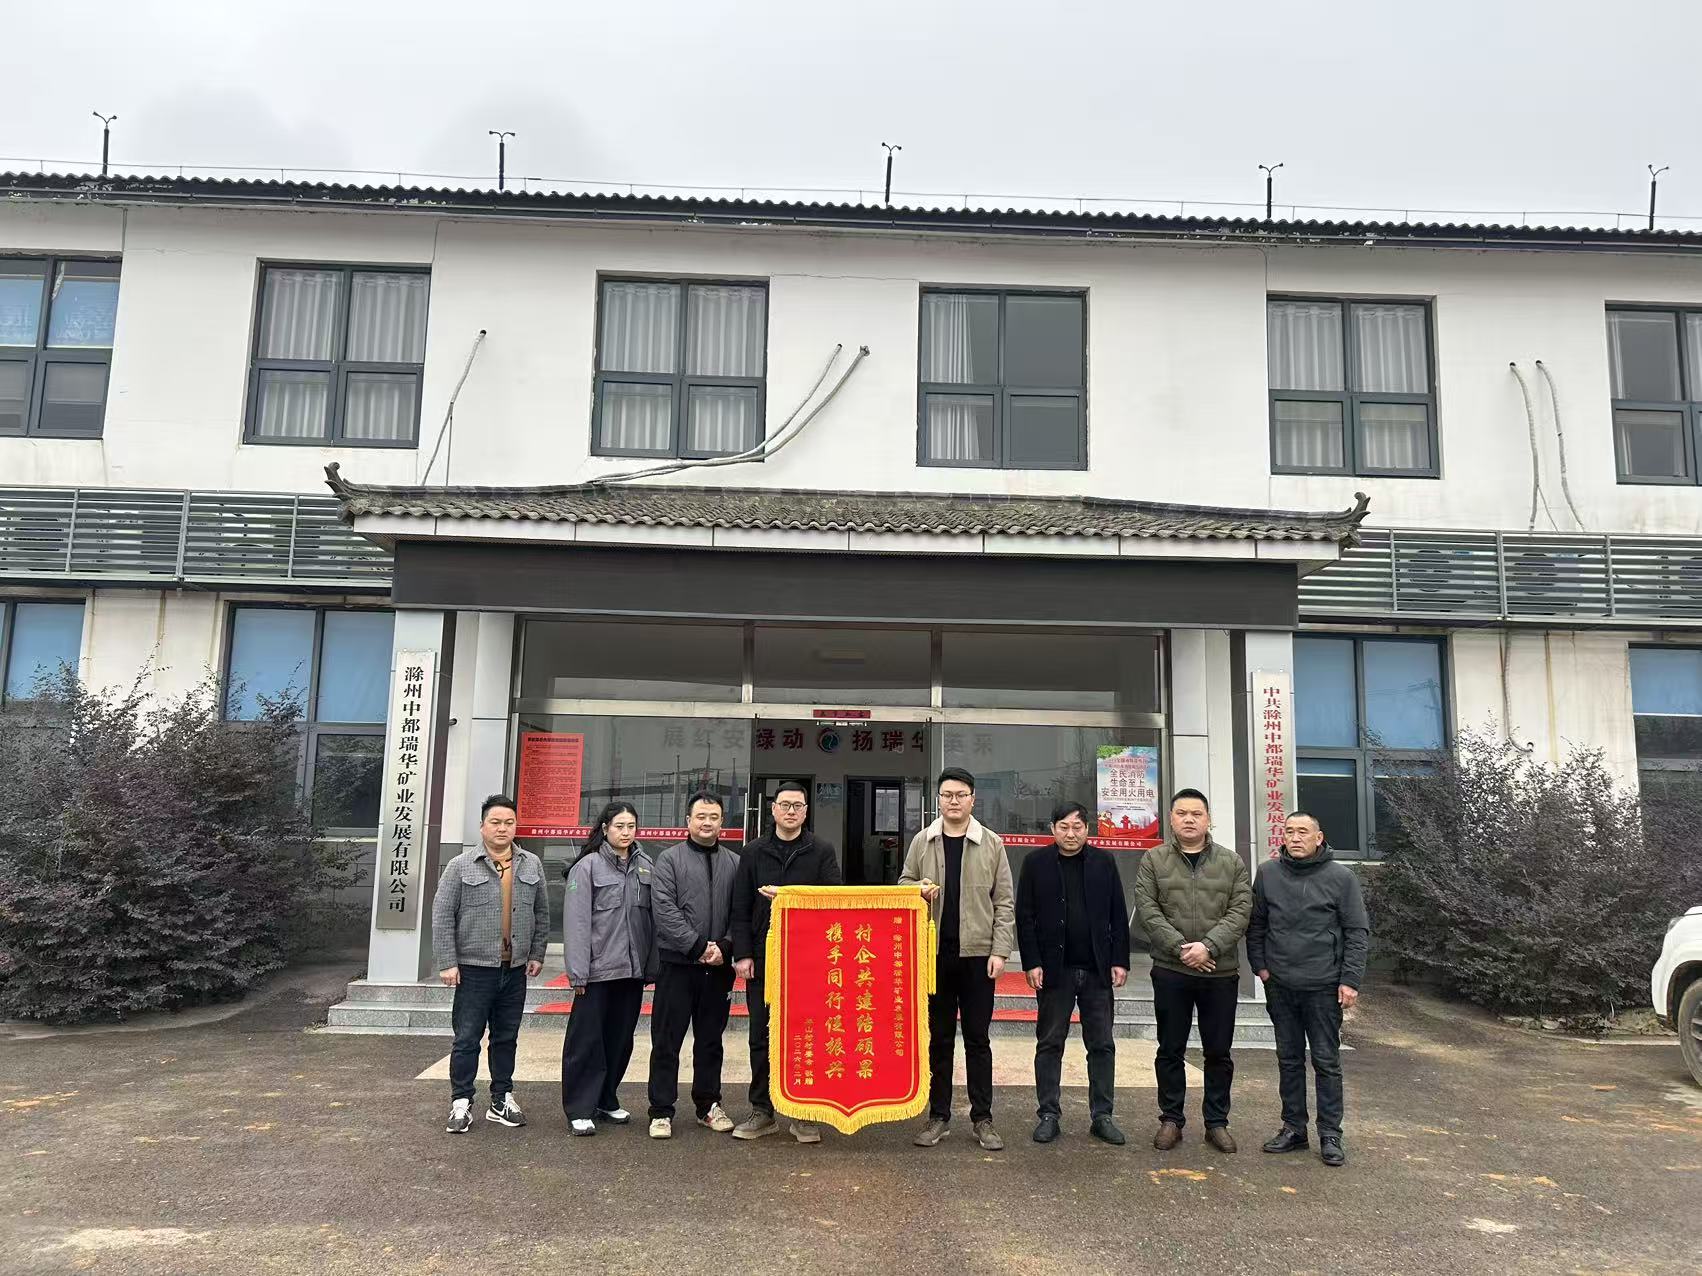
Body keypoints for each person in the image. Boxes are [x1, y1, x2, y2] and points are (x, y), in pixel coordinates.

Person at [899, 767, 1015, 1152]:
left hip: (978, 956)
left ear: (972, 800)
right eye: (947, 795)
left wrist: (1000, 950)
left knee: (978, 1039)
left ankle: (983, 1118)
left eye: (961, 795)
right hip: (935, 956)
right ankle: (939, 1116)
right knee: (940, 1039)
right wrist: (917, 889)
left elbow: (1004, 902)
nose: (953, 801)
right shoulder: (923, 841)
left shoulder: (991, 843)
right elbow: (903, 883)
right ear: (938, 799)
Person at [1247, 810, 1371, 1169]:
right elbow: (1256, 925)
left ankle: (1330, 1134)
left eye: (1303, 832)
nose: (1296, 837)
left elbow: (1356, 932)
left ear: (1319, 838)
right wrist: (1261, 968)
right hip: (1281, 984)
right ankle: (1293, 1128)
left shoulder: (1341, 877)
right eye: (1289, 831)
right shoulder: (1268, 874)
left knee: (1326, 1061)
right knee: (1288, 1059)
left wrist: (1350, 980)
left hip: (1323, 986)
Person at [1134, 787, 1252, 1153]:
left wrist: (1208, 947)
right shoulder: (1154, 860)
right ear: (1171, 819)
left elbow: (1241, 910)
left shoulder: (1231, 862)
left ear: (1208, 819)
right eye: (1181, 813)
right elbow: (1147, 909)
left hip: (1219, 972)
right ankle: (1171, 1119)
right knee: (1170, 1048)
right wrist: (1182, 949)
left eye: (1196, 813)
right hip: (1172, 970)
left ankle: (1216, 1123)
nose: (1189, 819)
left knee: (1218, 1051)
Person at [729, 780, 843, 1144]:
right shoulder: (753, 852)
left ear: (806, 812)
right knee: (761, 1036)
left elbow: (834, 900)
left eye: (798, 806)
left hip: (808, 959)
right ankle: (762, 1110)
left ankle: (803, 1112)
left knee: (806, 1034)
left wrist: (789, 896)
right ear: (773, 809)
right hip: (764, 956)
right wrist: (743, 954)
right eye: (785, 805)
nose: (791, 811)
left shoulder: (821, 850)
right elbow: (740, 907)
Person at [1015, 800, 1131, 1145]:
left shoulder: (1104, 862)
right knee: (1050, 1043)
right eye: (1063, 827)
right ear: (1052, 829)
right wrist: (1031, 962)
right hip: (1055, 971)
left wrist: (1120, 960)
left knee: (1102, 1044)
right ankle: (1048, 1114)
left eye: (1077, 827)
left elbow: (1118, 913)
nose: (1070, 834)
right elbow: (1025, 916)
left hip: (1096, 969)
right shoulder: (1035, 863)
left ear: (1087, 829)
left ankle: (1102, 1116)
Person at [432, 794, 549, 1134]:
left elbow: (541, 912)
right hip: (474, 968)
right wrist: (447, 962)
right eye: (495, 822)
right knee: (467, 1038)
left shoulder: (531, 864)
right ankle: (461, 1101)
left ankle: (501, 1099)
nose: (502, 828)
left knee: (506, 1037)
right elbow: (442, 916)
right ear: (482, 826)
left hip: (514, 969)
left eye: (509, 822)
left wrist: (537, 953)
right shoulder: (460, 866)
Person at [646, 791, 741, 1140]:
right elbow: (664, 909)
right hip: (678, 964)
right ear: (688, 821)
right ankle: (661, 1110)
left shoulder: (735, 862)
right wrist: (699, 946)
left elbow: (741, 912)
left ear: (722, 822)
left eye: (713, 817)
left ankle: (708, 1105)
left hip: (718, 968)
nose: (707, 823)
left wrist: (725, 947)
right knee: (666, 1040)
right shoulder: (669, 860)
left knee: (711, 1040)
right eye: (700, 816)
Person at [560, 801, 657, 1136]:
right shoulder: (587, 867)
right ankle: (579, 1108)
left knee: (620, 1039)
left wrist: (650, 967)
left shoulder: (645, 865)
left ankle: (605, 1099)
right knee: (587, 1041)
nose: (626, 832)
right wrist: (578, 972)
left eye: (631, 826)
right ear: (605, 828)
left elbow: (651, 921)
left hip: (630, 972)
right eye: (619, 826)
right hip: (596, 971)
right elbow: (576, 923)